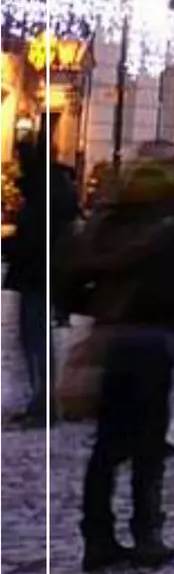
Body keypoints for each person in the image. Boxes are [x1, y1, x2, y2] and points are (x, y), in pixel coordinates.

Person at [69, 153, 174, 570]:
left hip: (111, 335)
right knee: (148, 444)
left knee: (107, 446)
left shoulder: (109, 219)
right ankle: (147, 534)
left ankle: (97, 537)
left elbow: (74, 273)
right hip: (156, 336)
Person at [5, 134, 79, 426]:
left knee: (35, 339)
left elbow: (35, 237)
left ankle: (42, 404)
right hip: (42, 271)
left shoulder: (44, 192)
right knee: (34, 338)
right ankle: (41, 402)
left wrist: (11, 248)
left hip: (38, 273)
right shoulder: (53, 188)